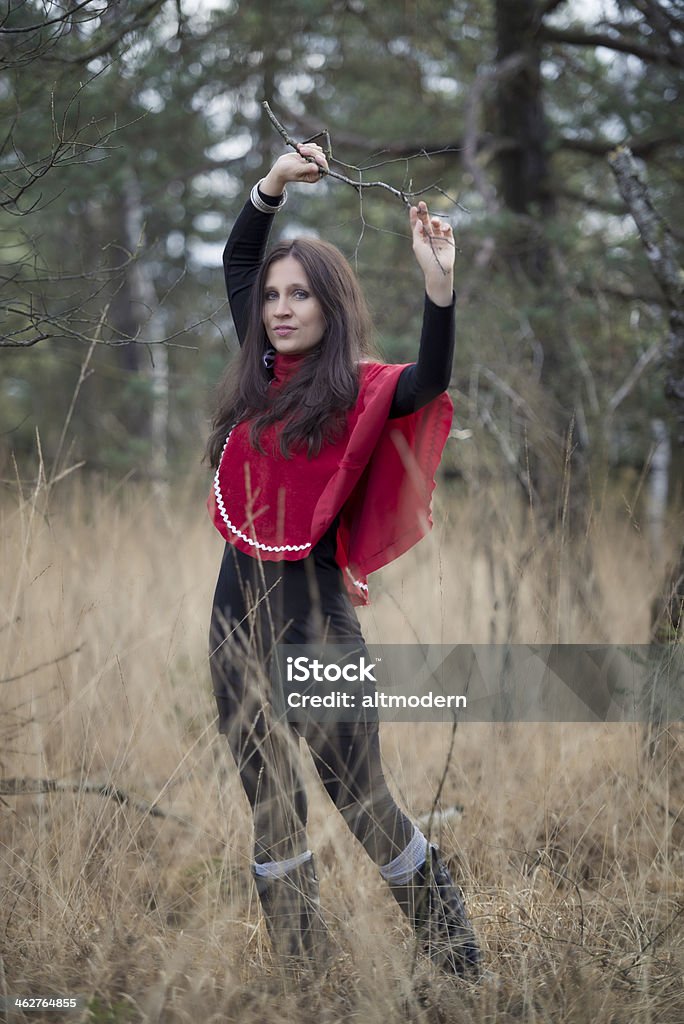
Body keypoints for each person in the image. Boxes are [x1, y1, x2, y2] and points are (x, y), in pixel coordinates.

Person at [206, 142, 481, 979]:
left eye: (301, 297)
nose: (281, 308)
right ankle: (306, 976)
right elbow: (239, 256)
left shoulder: (362, 390)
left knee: (364, 807)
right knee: (272, 809)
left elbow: (432, 379)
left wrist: (440, 286)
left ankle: (458, 958)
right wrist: (272, 186)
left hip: (318, 634)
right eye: (274, 298)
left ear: (331, 307)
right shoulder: (258, 377)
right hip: (231, 630)